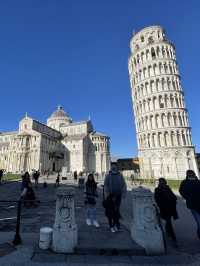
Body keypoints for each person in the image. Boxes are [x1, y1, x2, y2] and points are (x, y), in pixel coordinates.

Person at [104, 162, 127, 232]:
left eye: (114, 166)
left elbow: (124, 184)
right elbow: (106, 186)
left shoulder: (120, 175)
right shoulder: (108, 176)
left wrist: (123, 193)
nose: (113, 167)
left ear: (116, 167)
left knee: (116, 210)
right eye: (112, 166)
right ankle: (111, 225)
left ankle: (116, 225)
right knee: (110, 211)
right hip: (110, 196)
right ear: (111, 167)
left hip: (118, 196)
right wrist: (107, 195)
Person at [154, 178, 178, 243]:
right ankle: (171, 236)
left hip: (166, 209)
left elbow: (157, 200)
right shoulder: (166, 188)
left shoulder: (159, 189)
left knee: (168, 222)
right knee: (168, 222)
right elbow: (174, 198)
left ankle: (172, 237)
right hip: (168, 209)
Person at [179, 170, 200, 239]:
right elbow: (181, 191)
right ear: (187, 175)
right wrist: (187, 197)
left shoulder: (198, 181)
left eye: (192, 173)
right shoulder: (184, 182)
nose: (191, 175)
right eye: (189, 174)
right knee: (199, 222)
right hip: (193, 205)